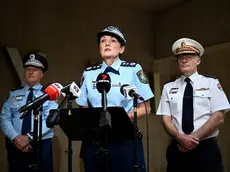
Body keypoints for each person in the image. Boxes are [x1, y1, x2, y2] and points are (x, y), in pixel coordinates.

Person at [76, 26, 154, 172]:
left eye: (112, 41)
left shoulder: (133, 69)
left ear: (121, 49)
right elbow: (83, 107)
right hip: (96, 137)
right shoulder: (89, 73)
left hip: (124, 136)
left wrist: (120, 119)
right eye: (103, 41)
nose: (107, 44)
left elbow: (146, 107)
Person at [156, 38, 230, 172]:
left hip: (205, 149)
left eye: (189, 57)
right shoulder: (168, 87)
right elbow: (165, 118)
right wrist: (180, 138)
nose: (184, 60)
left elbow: (219, 116)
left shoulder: (211, 83)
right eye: (181, 58)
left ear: (198, 61)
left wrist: (193, 139)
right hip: (178, 149)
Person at [0, 52, 58, 172]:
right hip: (16, 146)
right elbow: (4, 118)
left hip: (40, 146)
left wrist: (28, 138)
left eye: (35, 69)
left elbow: (49, 122)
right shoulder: (13, 94)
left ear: (41, 74)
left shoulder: (49, 95)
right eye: (28, 69)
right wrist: (16, 138)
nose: (30, 72)